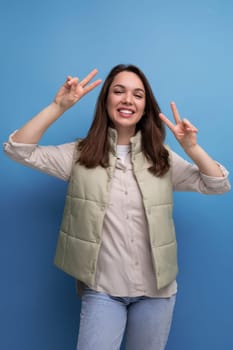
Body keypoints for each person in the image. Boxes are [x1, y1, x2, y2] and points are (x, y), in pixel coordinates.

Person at [4, 64, 231, 350]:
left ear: (145, 107)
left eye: (137, 94)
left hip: (157, 293)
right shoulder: (80, 155)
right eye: (118, 91)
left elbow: (217, 184)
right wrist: (57, 107)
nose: (127, 100)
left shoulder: (161, 158)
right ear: (106, 100)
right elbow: (18, 150)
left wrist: (192, 149)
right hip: (102, 290)